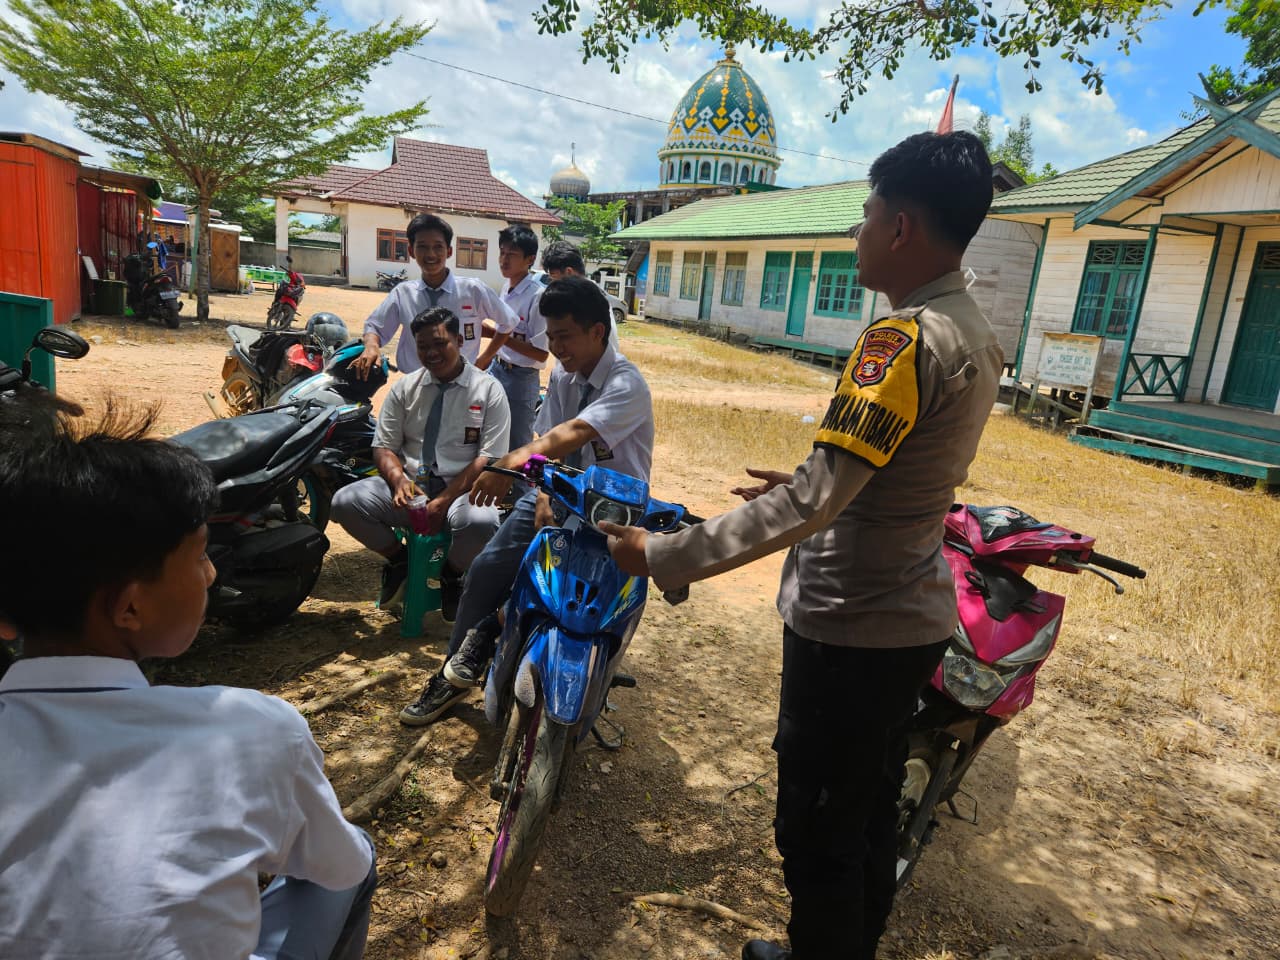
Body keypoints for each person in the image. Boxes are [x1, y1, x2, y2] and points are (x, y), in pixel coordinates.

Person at [599, 131, 1004, 960]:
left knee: (816, 828)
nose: (857, 233)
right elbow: (893, 471)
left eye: (866, 216)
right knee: (866, 808)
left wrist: (665, 554)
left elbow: (818, 504)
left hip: (849, 623)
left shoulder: (900, 339)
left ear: (900, 227)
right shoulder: (975, 331)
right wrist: (809, 478)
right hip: (908, 618)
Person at [0, 398, 377, 960]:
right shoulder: (254, 729)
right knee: (356, 859)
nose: (211, 572)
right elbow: (337, 865)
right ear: (129, 609)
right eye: (200, 555)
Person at [398, 274, 653, 726]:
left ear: (598, 331)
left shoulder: (625, 383)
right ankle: (455, 672)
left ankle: (561, 660)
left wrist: (507, 465)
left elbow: (571, 435)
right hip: (555, 497)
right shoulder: (562, 376)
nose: (555, 347)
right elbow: (546, 445)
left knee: (590, 602)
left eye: (565, 336)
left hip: (610, 515)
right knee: (487, 570)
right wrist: (537, 488)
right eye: (550, 336)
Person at [330, 306, 510, 620]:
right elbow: (384, 446)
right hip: (411, 484)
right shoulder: (404, 388)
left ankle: (452, 574)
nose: (431, 353)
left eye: (440, 343)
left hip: (461, 491)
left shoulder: (489, 390)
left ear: (459, 339)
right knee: (346, 502)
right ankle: (401, 561)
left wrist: (442, 501)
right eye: (423, 346)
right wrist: (398, 480)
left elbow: (487, 458)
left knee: (481, 522)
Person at [352, 213, 518, 378]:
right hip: (415, 386)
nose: (431, 254)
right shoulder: (403, 294)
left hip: (462, 385)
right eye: (422, 246)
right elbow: (375, 326)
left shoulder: (472, 290)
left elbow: (508, 321)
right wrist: (371, 346)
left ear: (449, 251)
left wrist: (484, 359)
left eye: (438, 247)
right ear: (411, 251)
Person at [493, 225, 550, 449]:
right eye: (502, 252)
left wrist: (500, 337)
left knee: (518, 445)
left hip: (521, 378)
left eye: (512, 255)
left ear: (530, 259)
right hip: (497, 369)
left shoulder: (537, 297)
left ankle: (522, 486)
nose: (504, 260)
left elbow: (541, 353)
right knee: (493, 437)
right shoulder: (506, 286)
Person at [540, 240, 621, 350]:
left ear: (569, 272)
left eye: (553, 276)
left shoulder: (586, 299)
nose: (552, 283)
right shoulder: (583, 294)